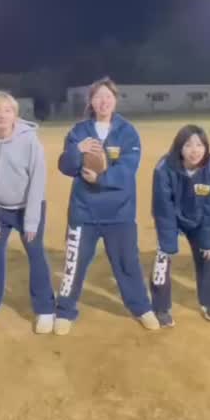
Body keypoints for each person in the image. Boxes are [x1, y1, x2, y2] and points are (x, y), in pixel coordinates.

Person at [54, 77, 159, 334]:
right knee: (74, 264)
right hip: (84, 211)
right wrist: (77, 150)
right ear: (91, 101)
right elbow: (66, 167)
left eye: (108, 97)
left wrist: (101, 179)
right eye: (98, 96)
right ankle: (65, 310)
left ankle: (141, 308)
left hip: (119, 213)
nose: (103, 101)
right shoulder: (79, 131)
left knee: (127, 263)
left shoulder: (127, 132)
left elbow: (128, 169)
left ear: (115, 100)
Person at [0, 91, 55, 333]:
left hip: (29, 207)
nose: (2, 115)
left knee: (36, 254)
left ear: (15, 115)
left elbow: (37, 181)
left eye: (8, 110)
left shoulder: (29, 141)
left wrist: (31, 221)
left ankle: (45, 310)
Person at [151, 124, 210, 327]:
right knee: (163, 257)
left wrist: (208, 242)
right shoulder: (164, 168)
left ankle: (209, 301)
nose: (195, 150)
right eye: (188, 145)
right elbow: (163, 208)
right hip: (172, 216)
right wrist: (167, 243)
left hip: (199, 219)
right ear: (179, 147)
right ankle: (161, 306)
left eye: (200, 145)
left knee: (207, 255)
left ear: (206, 147)